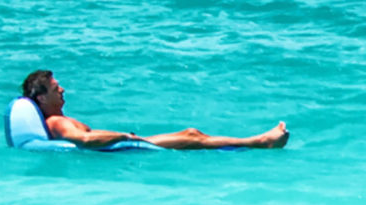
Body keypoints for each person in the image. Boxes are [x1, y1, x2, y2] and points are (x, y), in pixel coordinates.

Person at [22, 69, 289, 150]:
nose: (63, 90)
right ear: (42, 99)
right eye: (56, 88)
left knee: (192, 132)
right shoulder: (57, 122)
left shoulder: (58, 119)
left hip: (126, 146)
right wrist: (125, 136)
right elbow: (85, 139)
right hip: (125, 149)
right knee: (193, 136)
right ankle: (260, 141)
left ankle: (257, 142)